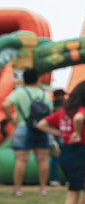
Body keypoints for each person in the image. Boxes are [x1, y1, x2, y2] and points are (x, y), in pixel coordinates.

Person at [37, 80, 85, 204]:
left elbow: (41, 124)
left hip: (66, 153)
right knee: (73, 195)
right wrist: (77, 133)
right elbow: (78, 119)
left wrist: (60, 133)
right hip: (77, 153)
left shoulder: (62, 112)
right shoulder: (83, 110)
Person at [1, 67, 52, 196]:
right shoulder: (44, 94)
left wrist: (11, 120)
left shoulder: (19, 92)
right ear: (38, 79)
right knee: (42, 159)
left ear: (24, 79)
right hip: (41, 128)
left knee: (20, 159)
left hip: (23, 126)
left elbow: (6, 105)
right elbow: (50, 112)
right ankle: (43, 188)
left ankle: (18, 189)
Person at [48, 89, 66, 186]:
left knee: (54, 157)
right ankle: (67, 179)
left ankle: (54, 179)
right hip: (61, 133)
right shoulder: (62, 106)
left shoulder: (51, 105)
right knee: (65, 156)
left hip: (53, 133)